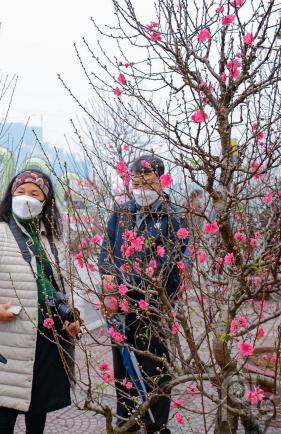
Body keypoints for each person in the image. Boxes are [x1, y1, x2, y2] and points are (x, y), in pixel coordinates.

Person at [0, 169, 81, 434]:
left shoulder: (53, 239)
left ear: (46, 201)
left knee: (39, 407)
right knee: (6, 408)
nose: (26, 198)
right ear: (10, 196)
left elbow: (68, 285)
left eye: (34, 193)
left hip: (50, 338)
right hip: (12, 338)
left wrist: (74, 319)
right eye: (20, 192)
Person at [98, 155, 188, 434]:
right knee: (122, 361)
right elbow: (106, 249)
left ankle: (156, 423)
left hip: (151, 304)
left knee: (153, 363)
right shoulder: (121, 212)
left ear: (162, 180)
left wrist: (128, 285)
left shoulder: (174, 217)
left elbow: (167, 265)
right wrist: (108, 280)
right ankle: (126, 415)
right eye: (135, 180)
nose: (140, 185)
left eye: (147, 179)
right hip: (119, 302)